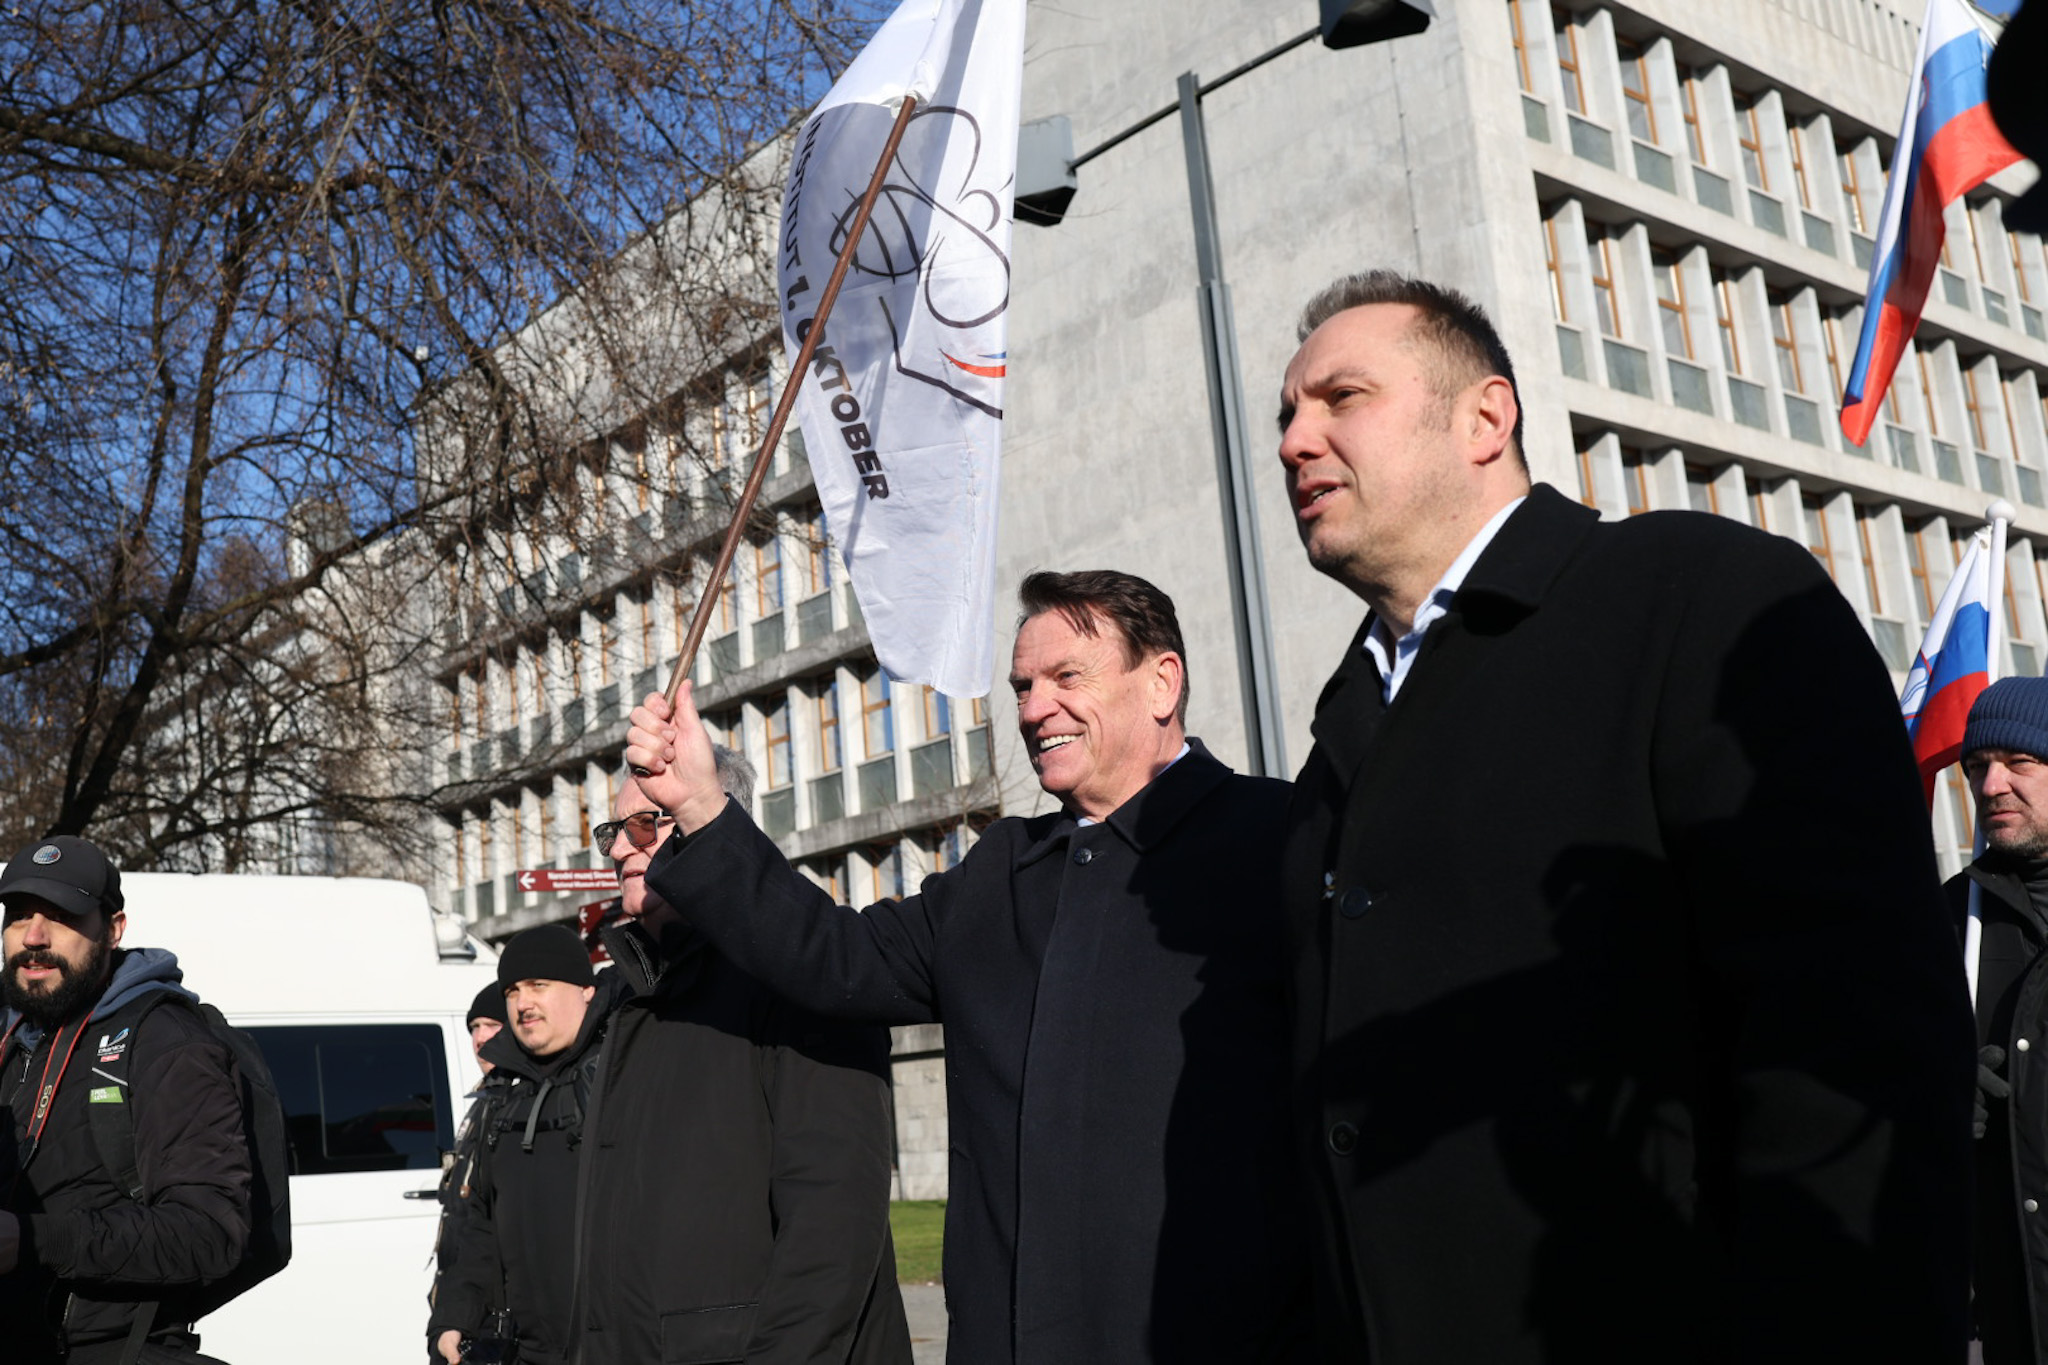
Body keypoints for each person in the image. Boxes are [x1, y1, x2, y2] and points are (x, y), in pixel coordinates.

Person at [1272, 268, 1976, 1362]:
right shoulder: (1335, 752)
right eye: (1285, 415)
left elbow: (1854, 1051)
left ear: (1484, 419)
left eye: (1340, 398)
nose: (1293, 442)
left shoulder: (1695, 598)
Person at [625, 570, 1312, 1364]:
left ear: (1162, 681)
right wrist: (701, 807)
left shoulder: (1282, 838)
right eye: (1022, 686)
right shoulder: (1000, 873)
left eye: (1065, 677)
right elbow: (834, 956)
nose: (1034, 708)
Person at [580, 744, 909, 1364]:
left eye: (644, 825)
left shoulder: (803, 968)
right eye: (610, 832)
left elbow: (832, 1225)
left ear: (710, 818)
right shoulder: (629, 995)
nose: (619, 849)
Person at [0, 835, 252, 1364]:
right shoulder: (14, 1037)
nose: (34, 937)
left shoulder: (167, 1043)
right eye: (19, 916)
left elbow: (211, 1232)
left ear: (113, 929)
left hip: (112, 1351)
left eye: (61, 916)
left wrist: (32, 1239)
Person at [430, 925, 628, 1365]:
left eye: (539, 985)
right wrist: (454, 1319)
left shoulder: (623, 1075)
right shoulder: (501, 1098)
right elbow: (480, 1227)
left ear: (586, 991)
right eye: (513, 990)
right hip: (528, 1353)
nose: (523, 1003)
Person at [1953, 677, 2048, 1363]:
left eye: (2019, 762)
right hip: (2012, 1309)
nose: (1992, 786)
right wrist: (1928, 1092)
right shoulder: (1943, 924)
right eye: (1977, 766)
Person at [428, 984, 511, 1357]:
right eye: (474, 1027)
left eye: (492, 1025)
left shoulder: (516, 1103)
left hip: (492, 1316)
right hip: (462, 1304)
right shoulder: (484, 1100)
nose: (480, 1038)